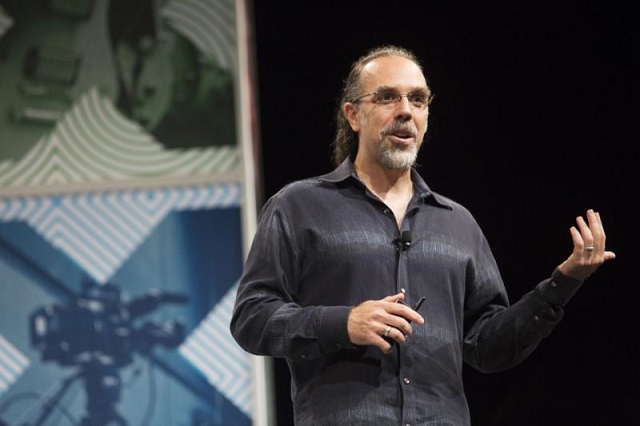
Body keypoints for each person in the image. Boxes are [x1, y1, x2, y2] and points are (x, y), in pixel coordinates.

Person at [229, 45, 616, 425]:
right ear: (353, 115)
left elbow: (489, 348)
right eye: (387, 97)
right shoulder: (299, 207)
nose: (405, 111)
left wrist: (563, 282)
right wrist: (344, 323)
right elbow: (251, 317)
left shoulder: (457, 223)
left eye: (418, 100)